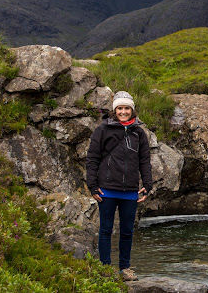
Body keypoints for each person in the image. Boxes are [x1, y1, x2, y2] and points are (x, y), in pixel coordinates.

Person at [85, 91, 153, 282]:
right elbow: (92, 159)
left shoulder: (139, 133)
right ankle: (105, 269)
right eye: (120, 108)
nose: (124, 112)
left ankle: (125, 269)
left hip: (130, 191)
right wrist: (92, 186)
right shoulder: (102, 130)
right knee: (106, 230)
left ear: (132, 110)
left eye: (127, 108)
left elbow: (145, 162)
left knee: (127, 232)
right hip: (106, 189)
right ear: (115, 110)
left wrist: (148, 185)